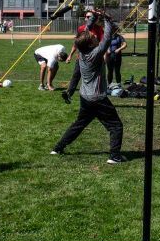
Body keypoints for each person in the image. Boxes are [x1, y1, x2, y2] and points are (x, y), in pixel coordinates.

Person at [51, 11, 125, 164]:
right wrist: (107, 19)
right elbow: (107, 38)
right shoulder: (95, 54)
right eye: (93, 37)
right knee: (116, 126)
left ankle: (57, 148)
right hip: (97, 98)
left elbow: (86, 31)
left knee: (79, 124)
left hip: (85, 98)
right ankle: (114, 156)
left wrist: (94, 17)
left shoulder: (82, 50)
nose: (94, 36)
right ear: (91, 44)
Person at [62, 11, 104, 104]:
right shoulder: (81, 28)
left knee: (95, 78)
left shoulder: (99, 29)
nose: (88, 18)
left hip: (94, 58)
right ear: (85, 18)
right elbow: (77, 43)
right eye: (87, 17)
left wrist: (103, 56)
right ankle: (69, 94)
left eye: (90, 17)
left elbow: (102, 43)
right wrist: (70, 55)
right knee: (76, 75)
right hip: (81, 57)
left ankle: (97, 97)